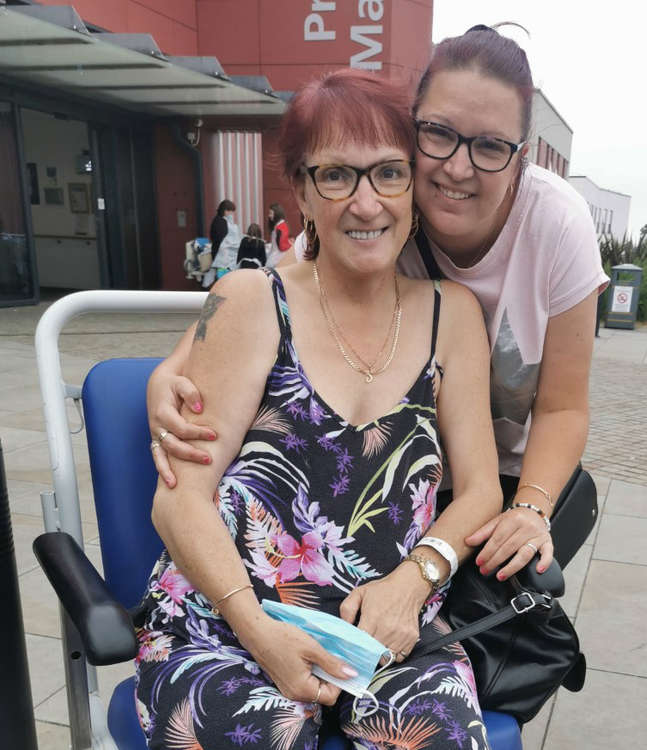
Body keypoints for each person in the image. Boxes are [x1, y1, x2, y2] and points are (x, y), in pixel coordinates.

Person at [147, 25, 607, 584]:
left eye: (490, 146)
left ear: (521, 157)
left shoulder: (555, 224)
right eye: (439, 134)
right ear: (413, 132)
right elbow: (269, 297)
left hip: (504, 484)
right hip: (395, 493)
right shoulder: (377, 212)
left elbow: (562, 406)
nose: (458, 168)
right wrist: (168, 372)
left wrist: (530, 508)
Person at [136, 69, 501, 748]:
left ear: (413, 186)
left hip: (386, 626)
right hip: (229, 619)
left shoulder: (451, 316)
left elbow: (479, 490)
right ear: (302, 189)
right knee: (259, 732)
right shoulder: (250, 301)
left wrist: (412, 582)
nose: (366, 204)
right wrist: (259, 631)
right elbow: (176, 501)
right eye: (336, 176)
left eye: (388, 173)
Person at [204, 199, 240, 286]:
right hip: (221, 255)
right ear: (225, 211)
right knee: (223, 281)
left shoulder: (217, 220)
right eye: (231, 212)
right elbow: (223, 239)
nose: (231, 214)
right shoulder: (221, 222)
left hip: (219, 254)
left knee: (221, 278)